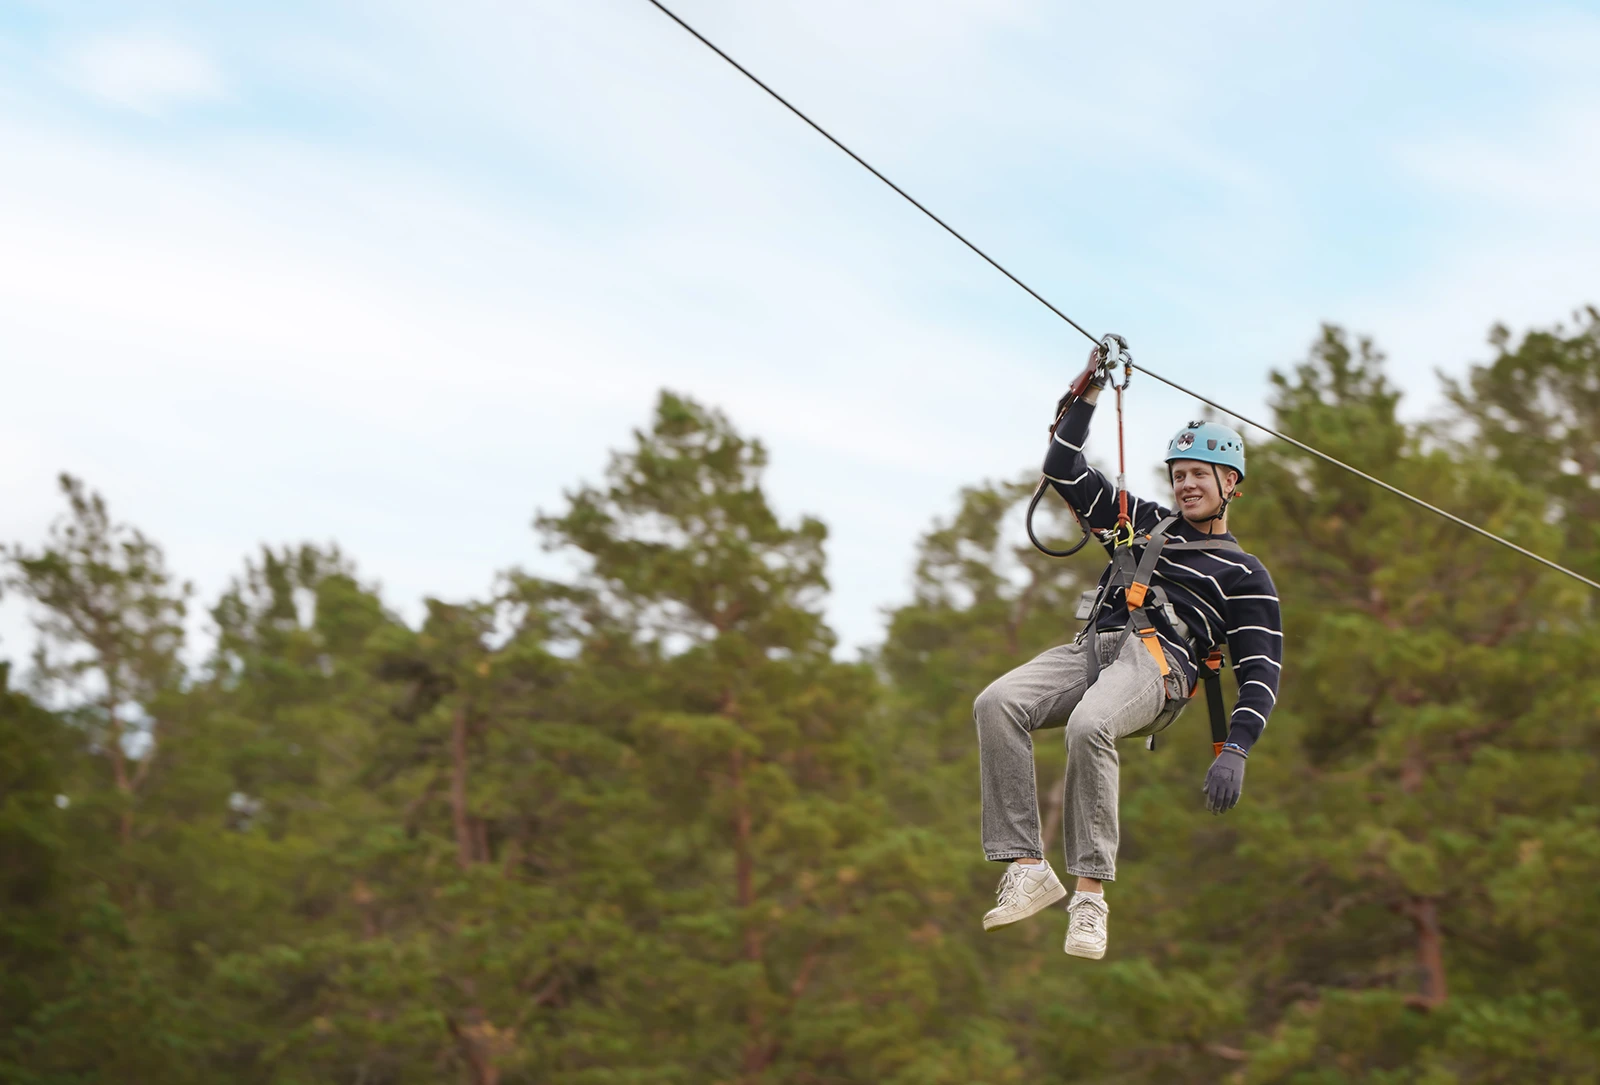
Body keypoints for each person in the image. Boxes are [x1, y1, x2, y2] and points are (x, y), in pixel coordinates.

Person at [974, 362, 1282, 959]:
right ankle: (1027, 866)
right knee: (997, 703)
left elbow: (1262, 674)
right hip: (1095, 647)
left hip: (1160, 663)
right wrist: (1088, 391)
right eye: (1179, 474)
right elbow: (1062, 466)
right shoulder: (1140, 523)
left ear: (1230, 483)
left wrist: (1238, 747)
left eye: (1200, 474)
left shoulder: (1246, 575)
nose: (1186, 484)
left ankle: (1090, 896)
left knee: (1092, 725)